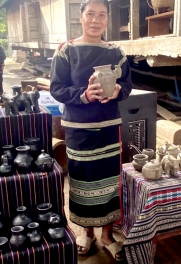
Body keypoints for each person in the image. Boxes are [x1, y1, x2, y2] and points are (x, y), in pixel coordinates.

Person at [49, 0, 132, 261]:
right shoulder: (66, 51)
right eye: (91, 14)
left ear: (107, 20)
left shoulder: (116, 52)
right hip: (79, 127)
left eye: (102, 15)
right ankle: (86, 232)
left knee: (109, 181)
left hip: (108, 127)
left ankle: (107, 234)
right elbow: (56, 89)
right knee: (83, 180)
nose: (96, 20)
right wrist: (84, 95)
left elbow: (128, 85)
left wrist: (118, 90)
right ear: (81, 17)